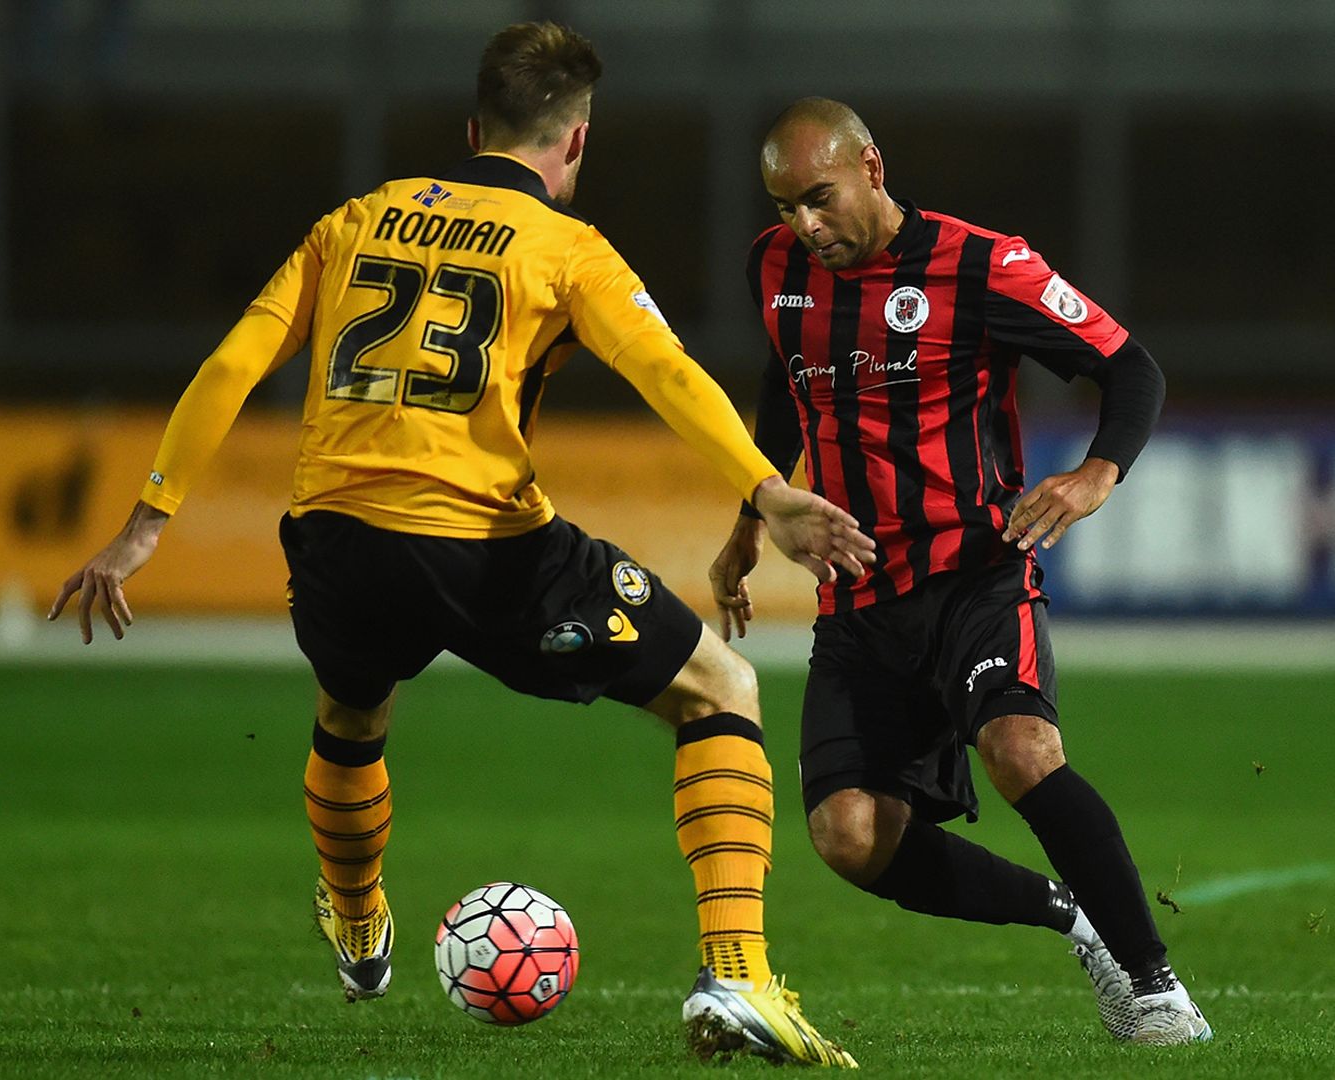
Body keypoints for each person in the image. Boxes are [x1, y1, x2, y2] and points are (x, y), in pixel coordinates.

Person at [47, 26, 868, 1067]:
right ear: (574, 143)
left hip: (335, 537)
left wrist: (147, 521)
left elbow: (233, 361)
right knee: (719, 687)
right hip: (481, 545)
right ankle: (738, 973)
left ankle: (355, 920)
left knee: (350, 713)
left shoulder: (354, 219)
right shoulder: (566, 249)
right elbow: (665, 373)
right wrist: (769, 490)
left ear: (473, 130)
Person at [709, 97, 1211, 1045]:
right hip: (857, 600)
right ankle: (1074, 921)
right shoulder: (773, 269)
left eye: (818, 199)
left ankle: (1155, 992)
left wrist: (1096, 472)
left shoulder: (983, 264)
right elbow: (786, 382)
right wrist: (750, 513)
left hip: (974, 572)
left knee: (1022, 751)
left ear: (873, 167)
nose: (803, 227)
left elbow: (1130, 366)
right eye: (784, 207)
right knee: (849, 839)